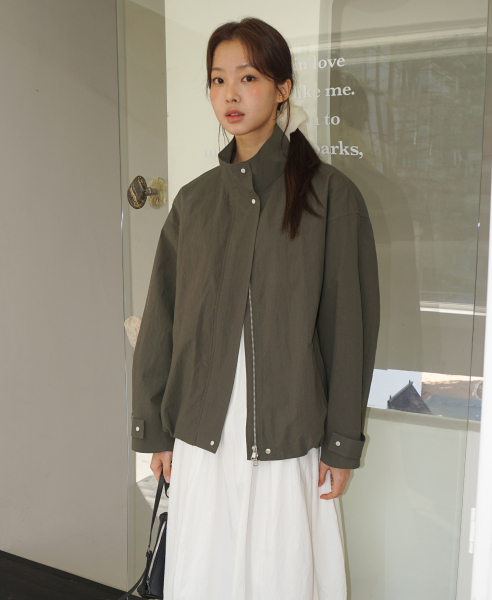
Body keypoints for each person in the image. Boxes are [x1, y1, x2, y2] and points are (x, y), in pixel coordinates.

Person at [130, 16, 381, 600]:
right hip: (202, 435)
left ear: (282, 87)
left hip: (288, 434)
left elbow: (349, 330)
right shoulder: (194, 203)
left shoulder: (331, 197)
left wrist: (342, 441)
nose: (230, 94)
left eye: (248, 77)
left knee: (281, 575)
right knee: (206, 575)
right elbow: (163, 320)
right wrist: (154, 429)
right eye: (218, 80)